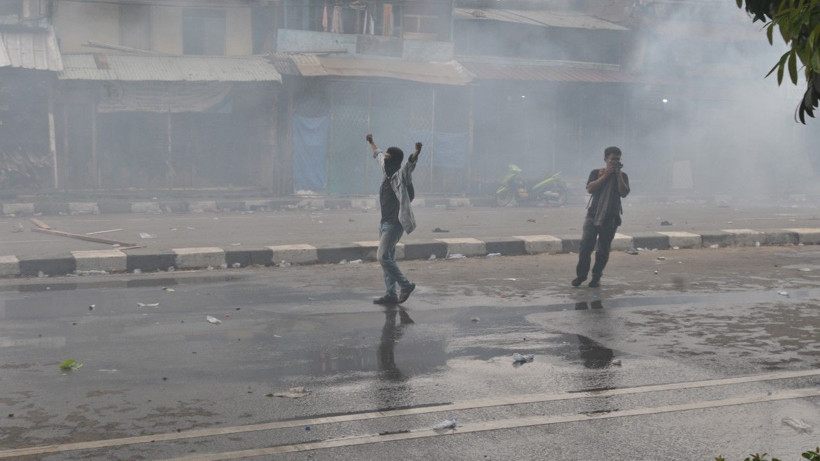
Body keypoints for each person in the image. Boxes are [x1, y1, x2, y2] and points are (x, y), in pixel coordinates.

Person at [366, 133, 422, 304]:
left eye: (390, 157)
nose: (386, 160)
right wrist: (372, 142)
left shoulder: (401, 174)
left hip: (395, 223)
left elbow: (410, 164)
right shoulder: (386, 169)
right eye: (387, 157)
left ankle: (405, 286)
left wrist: (416, 152)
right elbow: (379, 155)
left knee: (382, 257)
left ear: (396, 160)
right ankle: (391, 294)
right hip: (384, 222)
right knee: (388, 258)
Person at [572, 146, 630, 288]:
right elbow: (590, 188)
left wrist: (617, 174)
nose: (614, 162)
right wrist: (606, 175)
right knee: (585, 248)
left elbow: (624, 192)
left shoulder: (623, 176)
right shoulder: (596, 173)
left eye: (617, 160)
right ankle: (581, 276)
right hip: (593, 216)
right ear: (605, 159)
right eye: (612, 159)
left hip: (611, 218)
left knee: (603, 250)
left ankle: (596, 277)